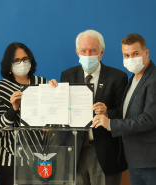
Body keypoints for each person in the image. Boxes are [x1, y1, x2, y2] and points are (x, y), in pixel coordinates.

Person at [60, 30, 128, 185]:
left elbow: (125, 113)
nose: (87, 54)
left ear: (101, 52)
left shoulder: (117, 77)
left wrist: (107, 113)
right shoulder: (67, 76)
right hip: (76, 151)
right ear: (77, 52)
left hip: (105, 152)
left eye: (92, 50)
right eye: (83, 51)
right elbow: (63, 111)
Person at [93, 33, 156, 185]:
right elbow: (128, 112)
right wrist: (107, 112)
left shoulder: (153, 80)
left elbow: (149, 119)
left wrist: (110, 124)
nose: (130, 58)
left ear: (146, 53)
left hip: (150, 161)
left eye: (135, 54)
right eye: (126, 55)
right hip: (133, 160)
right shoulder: (133, 78)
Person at [0, 42, 58, 185]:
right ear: (9, 65)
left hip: (40, 155)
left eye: (25, 59)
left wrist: (57, 93)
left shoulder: (42, 83)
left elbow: (53, 119)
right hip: (10, 157)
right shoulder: (1, 87)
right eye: (16, 60)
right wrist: (13, 108)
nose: (22, 63)